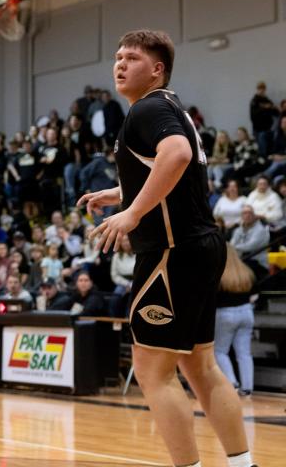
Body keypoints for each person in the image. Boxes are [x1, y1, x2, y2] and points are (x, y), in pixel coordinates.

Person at [80, 30, 256, 467]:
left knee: (152, 372)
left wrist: (133, 212)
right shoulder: (172, 106)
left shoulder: (148, 108)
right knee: (200, 366)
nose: (120, 64)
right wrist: (122, 193)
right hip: (201, 245)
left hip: (170, 252)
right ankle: (242, 464)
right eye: (117, 57)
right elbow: (172, 168)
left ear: (157, 69)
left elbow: (175, 155)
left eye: (132, 58)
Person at [214, 246, 258, 397]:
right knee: (244, 353)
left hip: (225, 314)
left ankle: (232, 383)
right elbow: (255, 295)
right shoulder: (246, 271)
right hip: (247, 312)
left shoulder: (218, 272)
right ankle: (247, 388)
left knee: (219, 351)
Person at [230, 206, 269, 276]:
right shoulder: (238, 230)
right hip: (243, 260)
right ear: (241, 216)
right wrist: (232, 247)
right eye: (244, 213)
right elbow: (232, 243)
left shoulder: (260, 230)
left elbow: (250, 246)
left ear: (254, 215)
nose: (247, 215)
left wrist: (234, 247)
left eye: (250, 213)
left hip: (258, 262)